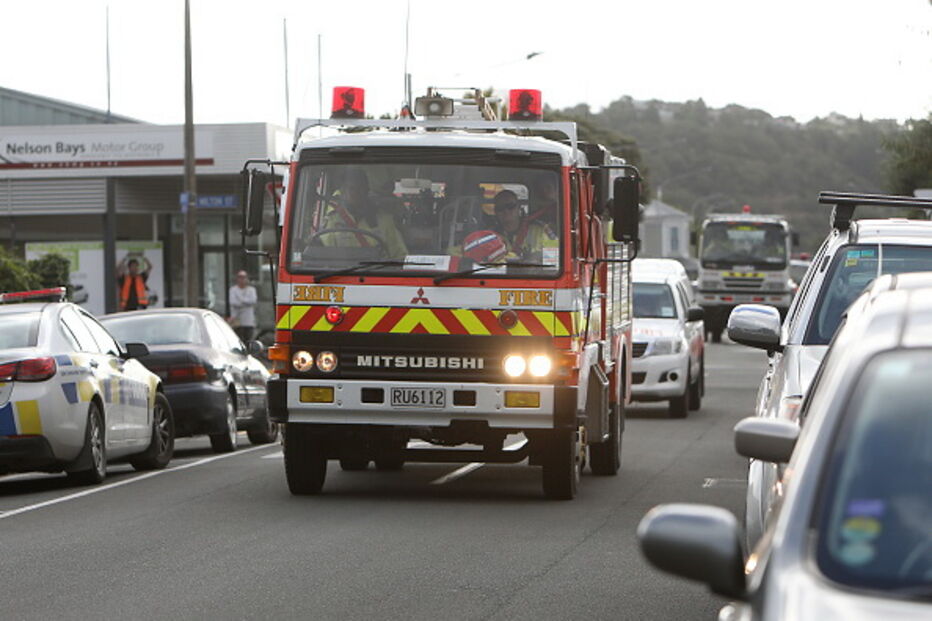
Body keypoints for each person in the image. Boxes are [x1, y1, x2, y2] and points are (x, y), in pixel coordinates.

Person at [318, 168, 408, 258]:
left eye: (361, 188)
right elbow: (321, 257)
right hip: (339, 271)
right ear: (344, 191)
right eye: (352, 188)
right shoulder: (333, 222)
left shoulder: (385, 221)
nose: (357, 192)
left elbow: (400, 257)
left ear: (367, 190)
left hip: (379, 271)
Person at [492, 189, 558, 260]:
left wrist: (538, 257)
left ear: (519, 208)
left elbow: (556, 255)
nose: (506, 211)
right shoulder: (491, 236)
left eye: (510, 206)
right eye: (500, 208)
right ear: (495, 212)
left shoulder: (541, 230)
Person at [228, 270, 258, 342]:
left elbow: (253, 301)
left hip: (249, 321)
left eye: (244, 277)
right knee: (238, 339)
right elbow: (233, 302)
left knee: (248, 339)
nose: (242, 280)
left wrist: (241, 300)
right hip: (237, 321)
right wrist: (246, 302)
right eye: (240, 277)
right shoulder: (233, 290)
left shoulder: (251, 290)